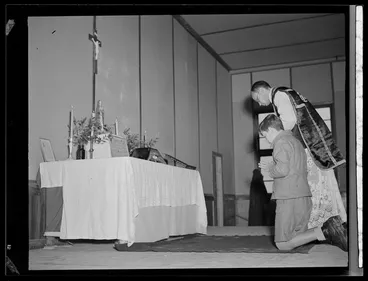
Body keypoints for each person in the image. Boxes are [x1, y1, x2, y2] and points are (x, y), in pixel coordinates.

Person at [250, 81, 347, 241]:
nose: (260, 103)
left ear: (261, 92)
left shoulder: (280, 96)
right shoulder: (284, 93)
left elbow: (288, 122)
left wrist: (277, 139)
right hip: (310, 145)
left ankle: (325, 229)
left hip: (307, 148)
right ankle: (326, 228)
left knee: (312, 187)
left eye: (257, 99)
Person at [258, 114, 346, 251]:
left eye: (265, 135)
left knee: (283, 244)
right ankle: (327, 230)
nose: (268, 140)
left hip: (288, 197)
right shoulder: (296, 142)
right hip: (303, 195)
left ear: (271, 130)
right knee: (297, 236)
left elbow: (282, 170)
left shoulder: (280, 143)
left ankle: (325, 230)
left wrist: (270, 168)